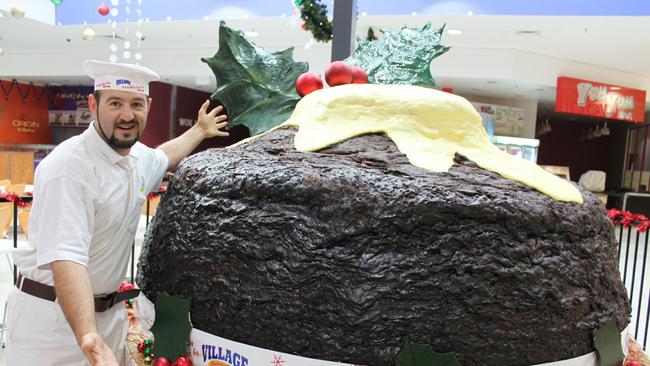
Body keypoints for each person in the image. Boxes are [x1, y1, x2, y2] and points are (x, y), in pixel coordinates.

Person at [5, 60, 229, 365]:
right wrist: (89, 337)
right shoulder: (69, 168)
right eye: (115, 103)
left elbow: (163, 156)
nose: (127, 115)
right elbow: (67, 260)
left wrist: (200, 130)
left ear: (148, 106)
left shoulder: (136, 158)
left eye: (136, 104)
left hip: (108, 319)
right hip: (53, 326)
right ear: (93, 104)